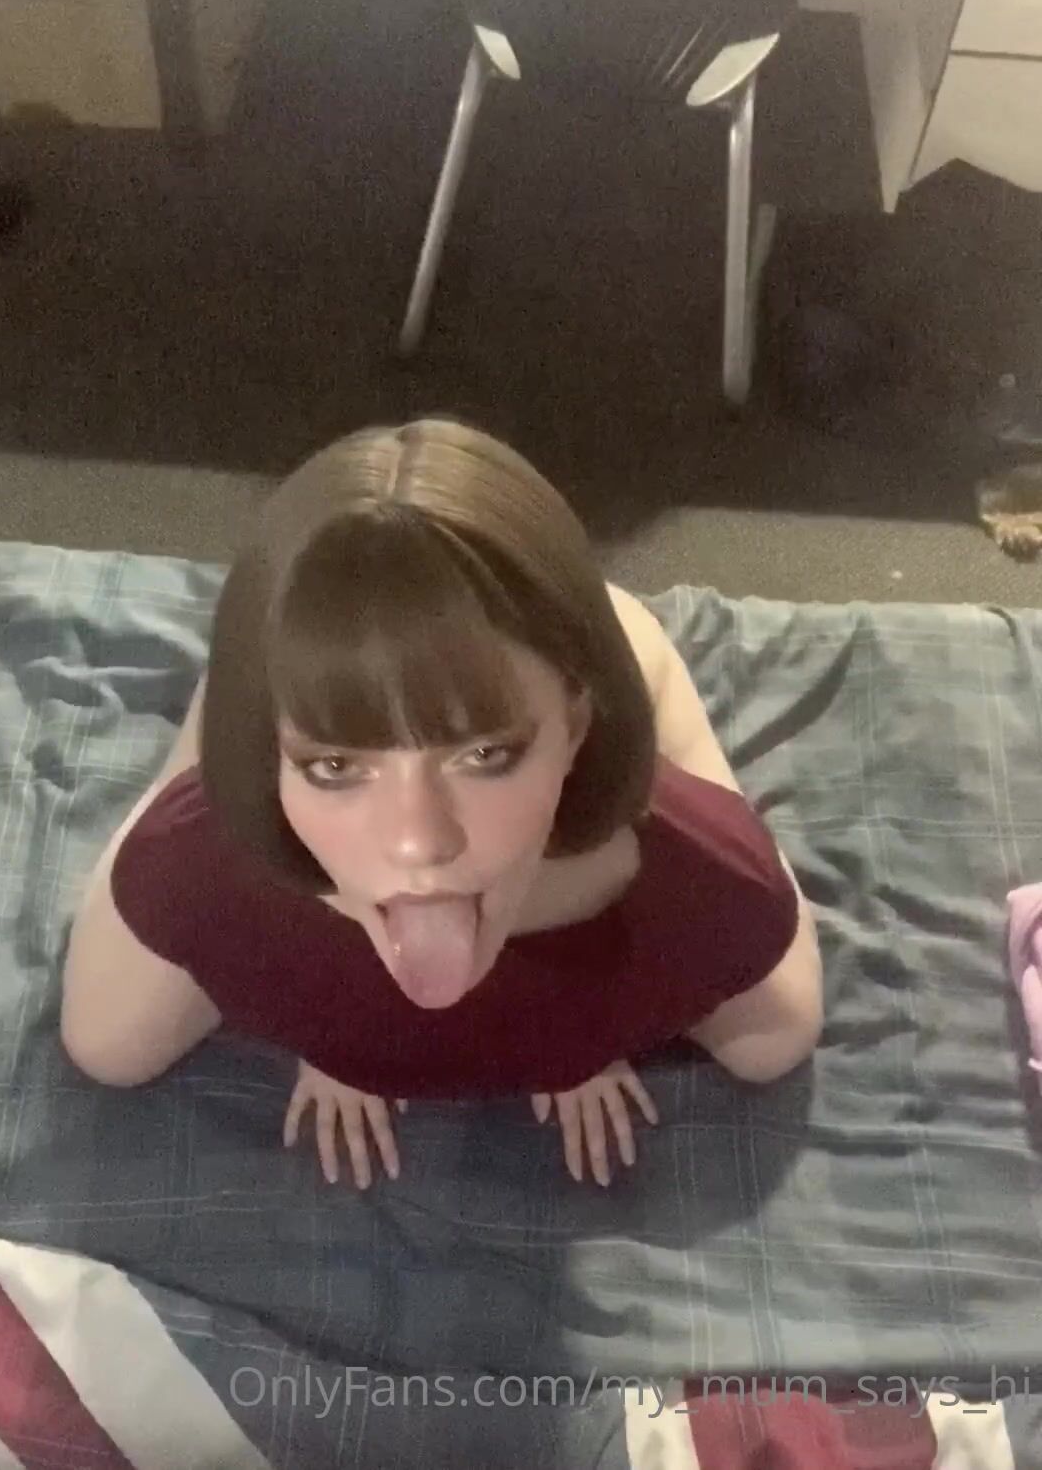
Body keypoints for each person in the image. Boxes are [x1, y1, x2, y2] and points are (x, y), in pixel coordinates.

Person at [61, 420, 822, 1188]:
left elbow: (758, 966)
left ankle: (624, 641)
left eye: (485, 755)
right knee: (108, 1046)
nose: (416, 842)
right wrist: (323, 1035)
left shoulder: (698, 883)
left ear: (574, 726)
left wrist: (600, 1031)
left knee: (773, 1044)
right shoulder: (206, 870)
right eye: (335, 763)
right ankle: (253, 696)